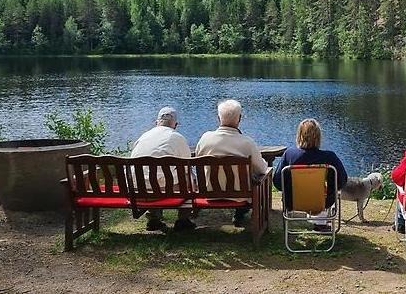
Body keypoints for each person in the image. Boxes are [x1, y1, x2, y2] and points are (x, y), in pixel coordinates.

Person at [195, 99, 268, 227]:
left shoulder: (205, 139)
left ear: (218, 118)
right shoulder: (247, 143)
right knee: (261, 178)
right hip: (240, 196)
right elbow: (261, 170)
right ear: (239, 119)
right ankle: (244, 214)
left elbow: (198, 159)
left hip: (209, 192)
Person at [273, 118, 348, 232]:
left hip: (292, 202)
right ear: (318, 137)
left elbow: (278, 182)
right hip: (322, 202)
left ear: (299, 136)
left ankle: (316, 223)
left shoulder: (289, 155)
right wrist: (330, 189)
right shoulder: (329, 157)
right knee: (324, 190)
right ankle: (321, 223)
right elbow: (342, 181)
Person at [130, 106, 196, 232]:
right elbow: (187, 165)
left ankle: (154, 219)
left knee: (151, 176)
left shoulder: (143, 137)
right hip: (162, 191)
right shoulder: (177, 138)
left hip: (137, 190)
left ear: (156, 123)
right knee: (188, 176)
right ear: (175, 125)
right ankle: (183, 220)